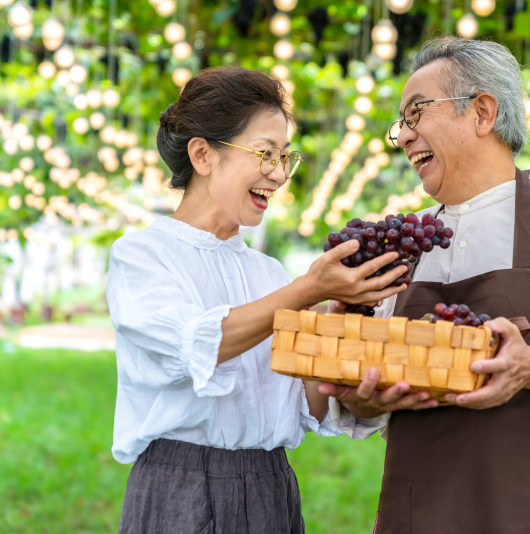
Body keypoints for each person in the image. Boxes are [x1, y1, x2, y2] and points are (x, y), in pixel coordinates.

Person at [319, 37, 530, 533]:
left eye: (415, 113)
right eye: (401, 124)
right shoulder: (399, 242)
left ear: (482, 112)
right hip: (424, 511)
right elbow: (358, 376)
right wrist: (361, 399)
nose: (402, 137)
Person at [106, 66, 408, 533]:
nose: (279, 174)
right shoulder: (142, 256)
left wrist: (337, 321)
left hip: (271, 486)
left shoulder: (270, 274)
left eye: (286, 156)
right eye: (265, 154)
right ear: (203, 154)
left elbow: (307, 403)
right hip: (179, 488)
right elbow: (200, 344)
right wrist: (309, 290)